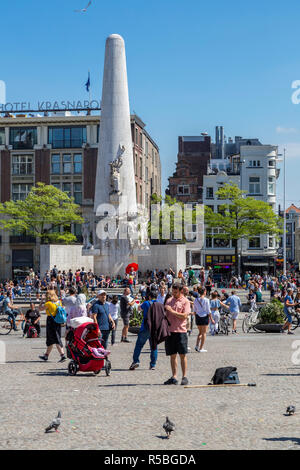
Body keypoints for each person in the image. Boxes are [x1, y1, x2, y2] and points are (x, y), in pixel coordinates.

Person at [164, 283, 190, 386]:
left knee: (182, 355)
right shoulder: (169, 300)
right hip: (170, 331)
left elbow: (184, 316)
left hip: (181, 331)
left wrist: (172, 311)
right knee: (172, 355)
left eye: (175, 292)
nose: (173, 294)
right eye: (172, 292)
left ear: (181, 291)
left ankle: (184, 376)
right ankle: (174, 376)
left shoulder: (186, 301)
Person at [129, 291, 159, 370]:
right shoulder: (159, 304)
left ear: (149, 297)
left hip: (145, 327)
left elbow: (139, 308)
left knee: (139, 345)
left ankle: (136, 361)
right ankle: (153, 364)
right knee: (154, 347)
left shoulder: (146, 303)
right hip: (155, 328)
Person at [39, 290, 67, 362]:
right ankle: (46, 355)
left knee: (56, 338)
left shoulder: (48, 303)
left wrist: (42, 300)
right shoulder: (59, 302)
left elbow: (40, 309)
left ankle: (62, 355)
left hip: (51, 321)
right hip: (57, 320)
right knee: (51, 338)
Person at [193, 287, 214, 351]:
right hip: (204, 317)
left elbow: (195, 310)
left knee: (200, 332)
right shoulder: (206, 300)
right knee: (204, 333)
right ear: (204, 291)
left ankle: (197, 345)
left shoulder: (196, 300)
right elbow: (208, 310)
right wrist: (211, 318)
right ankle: (201, 348)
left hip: (198, 317)